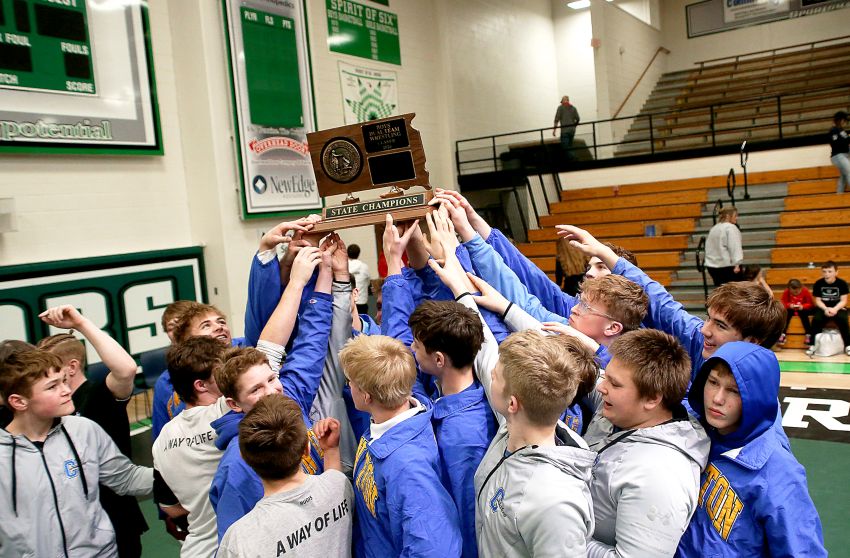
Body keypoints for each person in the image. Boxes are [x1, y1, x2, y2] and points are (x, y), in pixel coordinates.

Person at [676, 342, 827, 557]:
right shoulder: (695, 427)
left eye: (734, 391)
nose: (717, 399)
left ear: (755, 398)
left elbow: (802, 551)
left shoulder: (778, 472)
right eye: (712, 382)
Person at [0, 349, 153, 557]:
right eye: (52, 386)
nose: (66, 390)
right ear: (19, 402)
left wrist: (183, 474)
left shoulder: (83, 429)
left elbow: (127, 478)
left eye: (64, 381)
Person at [585, 329, 709, 557]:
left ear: (652, 398)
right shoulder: (624, 411)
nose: (602, 387)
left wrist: (559, 531)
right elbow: (580, 378)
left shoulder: (660, 478)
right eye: (606, 377)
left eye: (614, 384)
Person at [474, 330, 597, 557]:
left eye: (496, 376)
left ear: (512, 403)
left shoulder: (555, 504)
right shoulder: (513, 425)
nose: (491, 372)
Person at [37, 305, 149, 558]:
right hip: (73, 521)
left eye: (51, 366)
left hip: (113, 512)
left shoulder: (98, 395)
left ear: (72, 366)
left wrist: (80, 324)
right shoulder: (49, 408)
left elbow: (126, 369)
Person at [339, 333, 463, 558]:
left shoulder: (407, 467)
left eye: (351, 383)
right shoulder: (387, 420)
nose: (348, 386)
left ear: (367, 397)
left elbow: (435, 549)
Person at [217, 395, 354, 558]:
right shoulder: (340, 486)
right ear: (306, 450)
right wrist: (331, 450)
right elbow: (333, 479)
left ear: (245, 458)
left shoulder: (240, 539)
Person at [809, 260, 850, 356]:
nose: (827, 274)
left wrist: (835, 309)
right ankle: (813, 345)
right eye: (824, 271)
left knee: (843, 319)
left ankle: (848, 345)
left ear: (836, 272)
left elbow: (844, 301)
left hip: (838, 308)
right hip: (824, 308)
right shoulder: (818, 283)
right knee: (816, 320)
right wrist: (826, 309)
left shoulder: (842, 284)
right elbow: (818, 300)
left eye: (830, 271)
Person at [705, 207, 743, 287]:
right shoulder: (731, 227)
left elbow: (708, 248)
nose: (737, 218)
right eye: (735, 215)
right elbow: (734, 246)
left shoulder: (714, 228)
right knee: (735, 294)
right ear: (728, 216)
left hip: (713, 267)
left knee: (721, 293)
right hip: (728, 267)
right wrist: (737, 264)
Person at [779, 278, 814, 345]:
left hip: (802, 310)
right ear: (789, 289)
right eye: (794, 292)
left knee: (804, 314)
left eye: (798, 292)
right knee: (786, 313)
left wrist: (803, 306)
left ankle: (808, 334)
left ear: (801, 288)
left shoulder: (805, 291)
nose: (796, 293)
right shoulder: (786, 292)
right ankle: (782, 334)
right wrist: (789, 305)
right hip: (791, 310)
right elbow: (783, 302)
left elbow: (810, 303)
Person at [348, 243, 372, 315]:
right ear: (358, 253)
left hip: (347, 303)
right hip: (362, 302)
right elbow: (368, 283)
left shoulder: (343, 267)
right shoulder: (364, 267)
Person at [829, 110, 849, 193]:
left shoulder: (841, 130)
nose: (845, 122)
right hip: (838, 155)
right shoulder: (834, 130)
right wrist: (845, 140)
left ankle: (839, 196)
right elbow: (835, 143)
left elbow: (847, 140)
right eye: (844, 120)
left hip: (844, 154)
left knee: (843, 177)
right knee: (849, 171)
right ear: (840, 120)